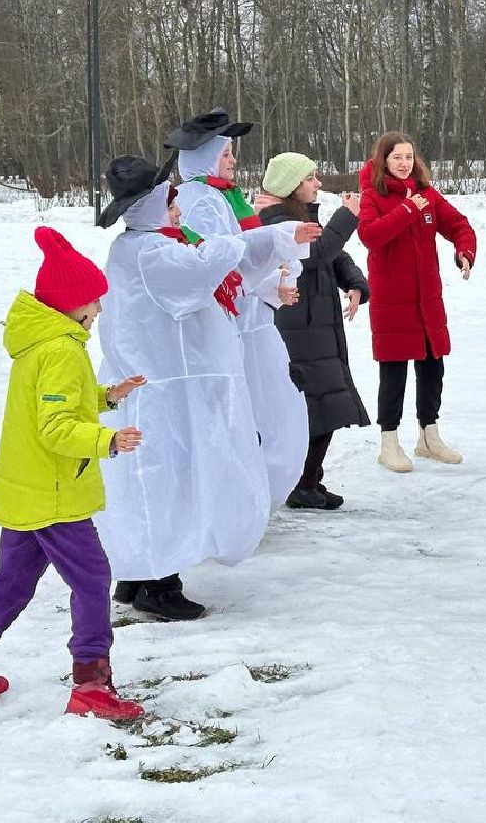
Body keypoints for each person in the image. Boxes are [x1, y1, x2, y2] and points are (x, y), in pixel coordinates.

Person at [0, 226, 147, 720]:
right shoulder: (62, 349)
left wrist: (104, 397)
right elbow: (56, 428)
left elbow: (53, 407)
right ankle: (91, 685)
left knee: (13, 580)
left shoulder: (40, 342)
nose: (99, 311)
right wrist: (107, 439)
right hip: (54, 494)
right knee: (93, 580)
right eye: (93, 301)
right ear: (70, 303)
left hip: (25, 488)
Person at [95, 157, 321, 620]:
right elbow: (209, 264)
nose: (178, 211)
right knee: (164, 480)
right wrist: (254, 237)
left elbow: (215, 258)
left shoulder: (143, 247)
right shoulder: (152, 252)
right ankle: (158, 582)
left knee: (152, 481)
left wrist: (276, 237)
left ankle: (140, 574)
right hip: (162, 394)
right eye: (171, 202)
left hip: (159, 390)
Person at [168, 109, 310, 508]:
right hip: (230, 327)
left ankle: (254, 494)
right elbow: (221, 263)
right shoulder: (201, 201)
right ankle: (236, 500)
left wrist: (271, 283)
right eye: (226, 152)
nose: (233, 160)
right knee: (243, 412)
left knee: (266, 408)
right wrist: (278, 249)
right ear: (206, 158)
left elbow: (242, 260)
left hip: (250, 320)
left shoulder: (222, 197)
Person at [257, 153, 372, 510]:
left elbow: (333, 256)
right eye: (310, 178)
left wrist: (354, 282)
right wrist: (348, 216)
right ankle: (300, 483)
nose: (318, 183)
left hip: (319, 328)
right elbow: (316, 253)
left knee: (326, 409)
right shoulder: (274, 220)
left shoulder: (301, 215)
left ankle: (308, 481)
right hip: (298, 330)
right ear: (292, 185)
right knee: (314, 410)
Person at [357, 132, 476, 472]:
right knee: (393, 371)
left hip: (427, 300)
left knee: (432, 366)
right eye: (397, 158)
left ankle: (428, 436)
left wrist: (464, 251)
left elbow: (458, 224)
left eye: (409, 157)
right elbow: (371, 236)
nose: (404, 163)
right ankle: (389, 442)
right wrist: (408, 209)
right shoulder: (373, 196)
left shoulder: (427, 194)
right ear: (384, 161)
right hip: (392, 301)